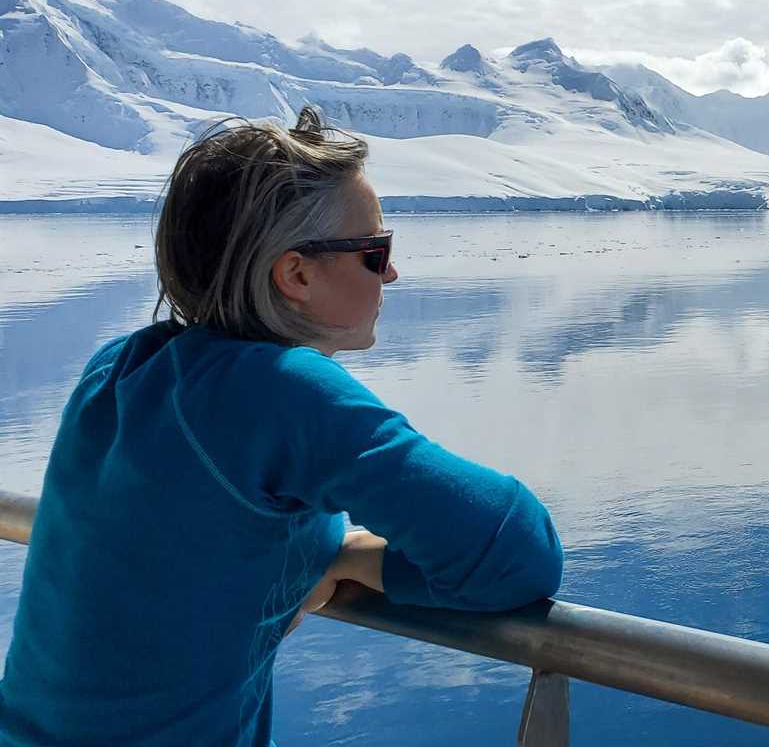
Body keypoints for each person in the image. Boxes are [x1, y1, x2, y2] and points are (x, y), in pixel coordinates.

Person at [0, 107, 563, 746]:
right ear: (296, 274)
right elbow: (516, 552)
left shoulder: (122, 367)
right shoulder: (281, 391)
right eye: (376, 252)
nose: (393, 274)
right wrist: (353, 556)